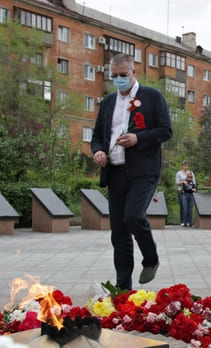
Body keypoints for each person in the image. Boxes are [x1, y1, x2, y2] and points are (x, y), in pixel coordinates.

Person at [91, 53, 172, 290]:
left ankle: (151, 258)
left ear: (133, 72)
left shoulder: (152, 97)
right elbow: (97, 136)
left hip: (143, 172)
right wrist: (98, 151)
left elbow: (165, 130)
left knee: (133, 216)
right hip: (115, 172)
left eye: (123, 75)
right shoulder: (108, 102)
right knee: (119, 234)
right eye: (114, 76)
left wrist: (138, 138)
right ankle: (123, 288)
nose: (119, 79)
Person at [175, 160, 193, 226]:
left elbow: (194, 182)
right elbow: (177, 183)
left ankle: (189, 221)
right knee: (182, 206)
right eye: (184, 166)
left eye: (187, 166)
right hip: (181, 191)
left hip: (189, 192)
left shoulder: (191, 173)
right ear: (182, 166)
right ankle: (182, 221)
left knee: (189, 207)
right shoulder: (179, 173)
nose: (186, 167)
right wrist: (183, 182)